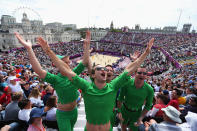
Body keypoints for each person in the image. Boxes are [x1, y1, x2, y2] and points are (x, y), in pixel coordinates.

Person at [37, 32, 154, 131]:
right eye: (99, 68)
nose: (103, 69)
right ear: (93, 74)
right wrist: (48, 51)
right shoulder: (86, 87)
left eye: (105, 69)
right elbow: (66, 71)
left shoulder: (113, 86)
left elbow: (130, 68)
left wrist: (146, 53)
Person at [15, 31, 90, 131]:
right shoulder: (55, 79)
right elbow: (38, 70)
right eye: (66, 62)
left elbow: (84, 62)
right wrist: (29, 49)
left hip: (74, 111)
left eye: (69, 61)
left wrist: (86, 47)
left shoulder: (73, 73)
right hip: (63, 114)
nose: (69, 64)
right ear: (58, 65)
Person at [117, 66, 154, 131]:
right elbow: (120, 98)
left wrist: (141, 117)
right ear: (135, 73)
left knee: (133, 129)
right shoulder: (127, 83)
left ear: (146, 76)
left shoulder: (149, 90)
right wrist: (119, 111)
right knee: (123, 126)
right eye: (139, 73)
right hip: (124, 110)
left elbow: (148, 105)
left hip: (137, 112)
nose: (142, 75)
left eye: (144, 73)